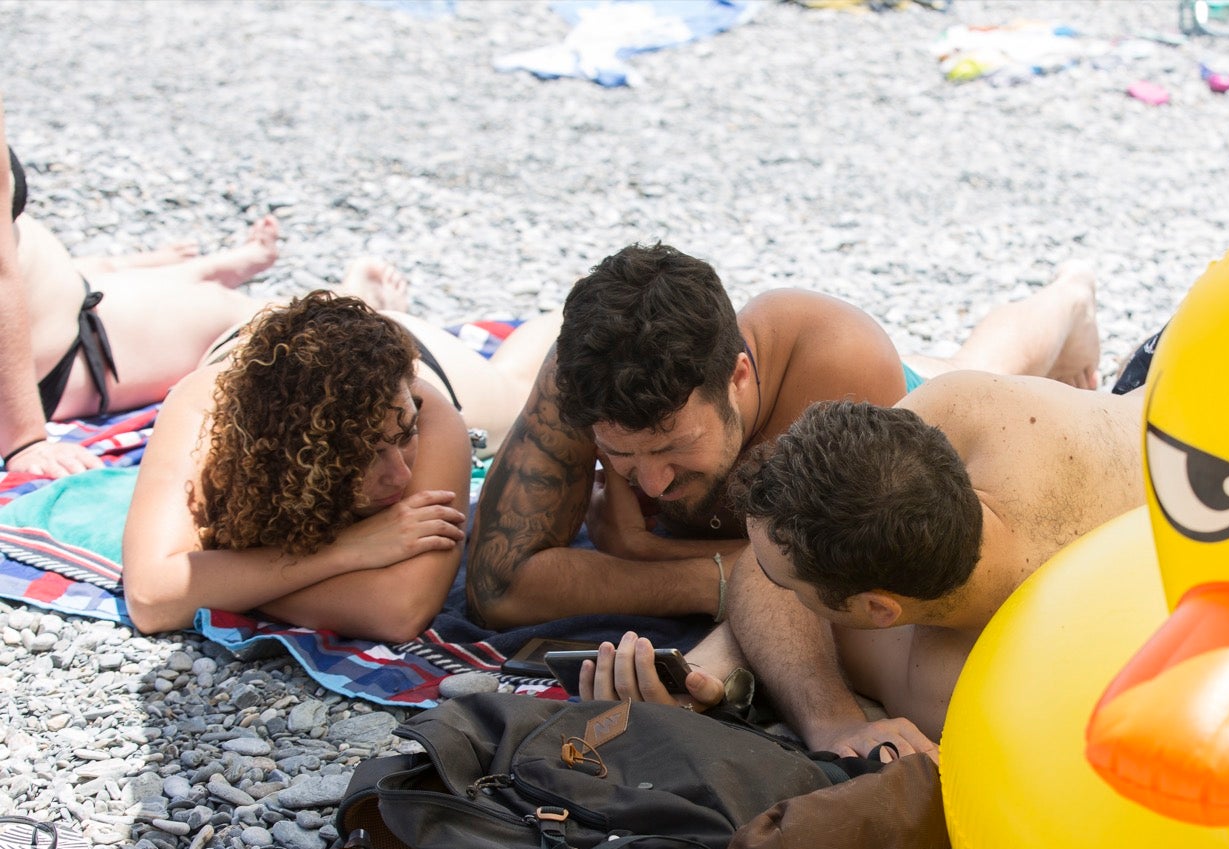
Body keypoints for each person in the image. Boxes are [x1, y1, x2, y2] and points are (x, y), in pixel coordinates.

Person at [466, 241, 1104, 629]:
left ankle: (1068, 299)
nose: (653, 482)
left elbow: (845, 586)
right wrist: (724, 577)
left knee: (983, 375)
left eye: (670, 449)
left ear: (739, 375)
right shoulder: (584, 380)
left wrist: (643, 556)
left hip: (908, 398)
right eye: (620, 455)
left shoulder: (836, 366)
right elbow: (499, 587)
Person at [581, 371, 1148, 758]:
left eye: (788, 581)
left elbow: (768, 592)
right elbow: (774, 585)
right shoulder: (970, 409)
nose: (756, 568)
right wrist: (707, 671)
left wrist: (830, 723)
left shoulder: (961, 690)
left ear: (880, 609)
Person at [2, 97, 559, 475]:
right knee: (512, 392)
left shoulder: (202, 441)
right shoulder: (206, 427)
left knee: (250, 321)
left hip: (83, 318)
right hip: (72, 351)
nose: (396, 472)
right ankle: (341, 302)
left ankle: (218, 277)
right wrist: (26, 440)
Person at [122, 290, 473, 643]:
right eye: (364, 454)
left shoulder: (421, 408)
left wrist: (223, 586)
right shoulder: (207, 407)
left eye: (405, 437)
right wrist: (347, 549)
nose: (401, 475)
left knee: (513, 383)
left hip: (418, 354)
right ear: (284, 450)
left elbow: (396, 611)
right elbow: (151, 599)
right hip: (257, 352)